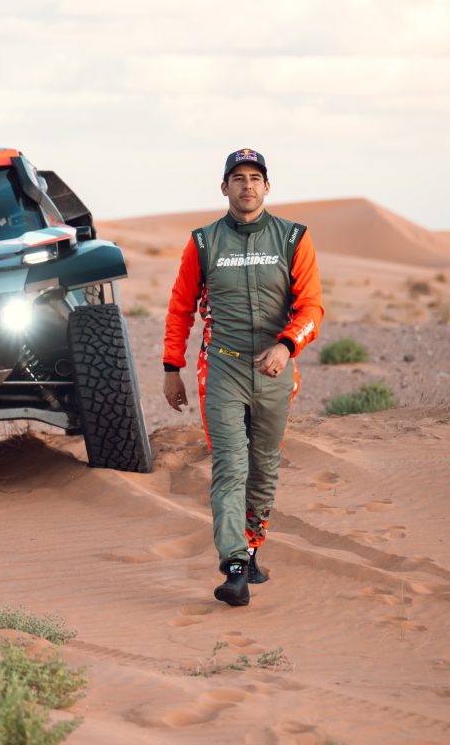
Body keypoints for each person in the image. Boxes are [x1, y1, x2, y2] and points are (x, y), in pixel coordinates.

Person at [162, 149, 323, 607]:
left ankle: (251, 548)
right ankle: (234, 566)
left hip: (275, 368)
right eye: (238, 178)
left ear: (267, 187)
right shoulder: (203, 242)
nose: (247, 185)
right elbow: (180, 309)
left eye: (255, 177)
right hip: (222, 368)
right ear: (224, 187)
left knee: (265, 465)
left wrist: (287, 346)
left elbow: (312, 307)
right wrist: (171, 367)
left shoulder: (293, 237)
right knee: (231, 465)